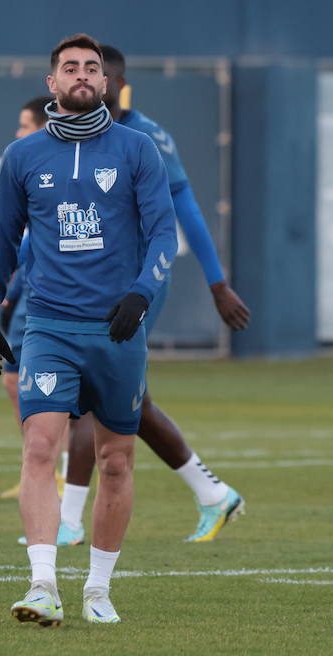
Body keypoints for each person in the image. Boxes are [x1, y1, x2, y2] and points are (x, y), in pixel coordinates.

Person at [0, 33, 176, 626]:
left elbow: (163, 233)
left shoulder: (137, 150)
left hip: (117, 332)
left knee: (116, 460)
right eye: (71, 68)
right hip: (50, 326)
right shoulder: (23, 158)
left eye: (92, 68)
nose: (83, 75)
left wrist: (143, 294)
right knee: (40, 445)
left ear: (106, 82)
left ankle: (97, 589)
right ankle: (42, 586)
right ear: (52, 85)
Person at [47, 43, 250, 546]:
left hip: (138, 287)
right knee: (127, 402)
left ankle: (69, 520)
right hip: (87, 283)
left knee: (91, 395)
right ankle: (213, 494)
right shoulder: (70, 140)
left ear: (118, 83)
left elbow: (187, 210)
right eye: (87, 73)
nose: (98, 85)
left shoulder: (145, 137)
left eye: (104, 76)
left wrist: (217, 282)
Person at [0, 95, 65, 500]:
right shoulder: (25, 165)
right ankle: (39, 465)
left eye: (24, 124)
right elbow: (24, 237)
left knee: (53, 388)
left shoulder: (61, 168)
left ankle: (56, 472)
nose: (18, 132)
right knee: (13, 378)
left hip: (52, 292)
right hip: (29, 285)